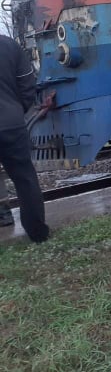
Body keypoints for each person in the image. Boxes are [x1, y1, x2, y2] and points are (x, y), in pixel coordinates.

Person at [0, 35, 49, 242]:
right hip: (11, 123)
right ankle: (37, 233)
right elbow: (27, 85)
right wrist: (17, 110)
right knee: (24, 178)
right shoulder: (9, 45)